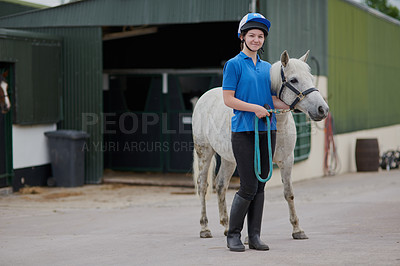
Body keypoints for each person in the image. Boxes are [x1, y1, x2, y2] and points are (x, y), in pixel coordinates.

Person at [222, 13, 289, 252]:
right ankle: (233, 235)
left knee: (261, 185)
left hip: (267, 130)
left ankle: (255, 236)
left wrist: (289, 103)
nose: (256, 39)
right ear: (242, 37)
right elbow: (229, 99)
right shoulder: (234, 64)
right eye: (252, 35)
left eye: (260, 36)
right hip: (243, 131)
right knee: (248, 185)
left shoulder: (266, 68)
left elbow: (268, 99)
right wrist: (255, 109)